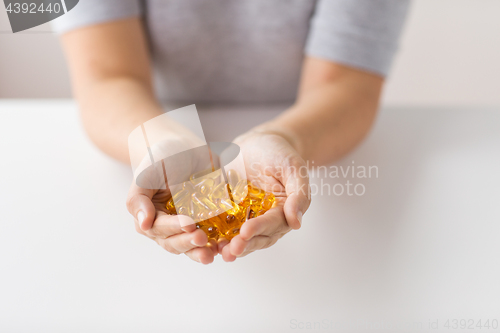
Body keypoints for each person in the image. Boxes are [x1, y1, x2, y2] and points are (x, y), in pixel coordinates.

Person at [53, 0, 410, 264]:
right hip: (143, 117)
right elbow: (106, 76)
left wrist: (286, 138)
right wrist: (160, 142)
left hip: (312, 134)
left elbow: (346, 87)